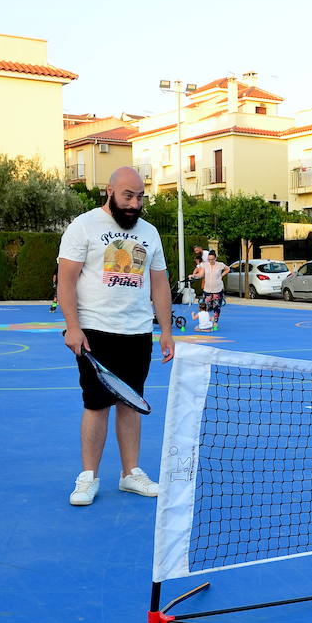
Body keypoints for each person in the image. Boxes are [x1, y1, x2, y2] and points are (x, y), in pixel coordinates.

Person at [57, 166, 175, 506]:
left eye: (140, 197)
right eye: (128, 196)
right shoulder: (84, 226)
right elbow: (65, 281)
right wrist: (73, 326)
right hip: (95, 331)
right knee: (96, 404)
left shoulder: (150, 232)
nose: (134, 203)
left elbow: (159, 284)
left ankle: (130, 473)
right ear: (109, 191)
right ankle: (88, 477)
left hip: (137, 332)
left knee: (130, 402)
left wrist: (166, 331)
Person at [187, 248, 229, 328]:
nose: (210, 261)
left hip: (217, 289)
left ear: (215, 258)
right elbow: (201, 274)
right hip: (207, 289)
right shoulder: (205, 265)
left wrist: (222, 275)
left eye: (212, 259)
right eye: (209, 259)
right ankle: (204, 322)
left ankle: (215, 322)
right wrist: (193, 276)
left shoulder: (220, 265)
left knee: (216, 307)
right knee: (205, 306)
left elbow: (227, 269)